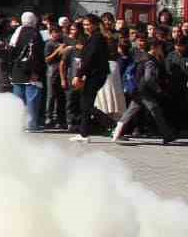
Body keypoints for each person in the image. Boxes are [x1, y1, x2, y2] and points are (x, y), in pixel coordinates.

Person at [113, 39, 175, 145]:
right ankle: (167, 135)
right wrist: (158, 89)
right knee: (155, 110)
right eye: (159, 48)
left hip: (136, 89)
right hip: (144, 91)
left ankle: (116, 133)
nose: (161, 50)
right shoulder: (150, 60)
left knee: (130, 111)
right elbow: (148, 78)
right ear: (154, 48)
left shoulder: (141, 57)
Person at [70, 15, 112, 143]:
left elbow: (89, 59)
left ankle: (112, 124)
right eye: (84, 25)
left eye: (88, 24)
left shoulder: (97, 38)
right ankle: (83, 134)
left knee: (86, 104)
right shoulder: (93, 37)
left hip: (96, 75)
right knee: (85, 104)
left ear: (94, 24)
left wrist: (78, 75)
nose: (86, 27)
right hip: (93, 74)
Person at [6, 12, 46, 132]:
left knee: (18, 100)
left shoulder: (16, 33)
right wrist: (35, 71)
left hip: (17, 70)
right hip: (31, 71)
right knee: (32, 98)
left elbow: (10, 52)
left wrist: (10, 69)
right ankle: (31, 124)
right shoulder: (35, 34)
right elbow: (36, 55)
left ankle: (18, 124)